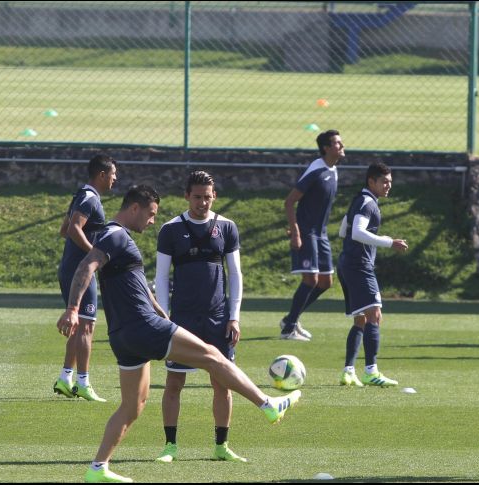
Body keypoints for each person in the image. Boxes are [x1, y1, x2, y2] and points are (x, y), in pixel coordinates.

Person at [56, 185, 301, 484]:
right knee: (213, 356)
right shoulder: (115, 234)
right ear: (135, 208)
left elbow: (135, 283)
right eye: (150, 214)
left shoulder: (118, 239)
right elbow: (86, 266)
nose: (152, 221)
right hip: (141, 327)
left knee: (133, 405)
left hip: (123, 335)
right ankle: (268, 405)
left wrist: (160, 309)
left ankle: (98, 468)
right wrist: (72, 309)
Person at [153, 171, 247, 463]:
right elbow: (161, 277)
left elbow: (236, 275)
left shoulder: (227, 227)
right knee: (174, 384)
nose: (202, 202)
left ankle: (221, 446)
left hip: (218, 320)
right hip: (183, 321)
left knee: (222, 384)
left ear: (214, 196)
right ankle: (170, 446)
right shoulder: (170, 229)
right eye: (197, 197)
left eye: (207, 197)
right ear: (186, 196)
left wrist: (234, 316)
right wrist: (165, 318)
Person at [336, 163, 408, 387]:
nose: (388, 186)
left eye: (390, 182)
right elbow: (357, 232)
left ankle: (348, 372)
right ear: (371, 182)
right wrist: (388, 242)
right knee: (374, 315)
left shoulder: (360, 200)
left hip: (347, 264)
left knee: (361, 319)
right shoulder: (368, 203)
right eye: (384, 182)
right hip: (359, 267)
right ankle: (371, 371)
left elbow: (342, 230)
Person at [54, 154, 117, 402]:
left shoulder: (82, 195)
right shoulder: (90, 198)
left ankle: (65, 378)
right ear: (102, 175)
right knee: (88, 325)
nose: (115, 178)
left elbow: (64, 229)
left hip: (70, 267)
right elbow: (73, 229)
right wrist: (94, 253)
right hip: (80, 270)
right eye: (113, 174)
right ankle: (83, 383)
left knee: (80, 324)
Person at [278, 130, 345, 341]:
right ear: (326, 148)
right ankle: (288, 329)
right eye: (337, 143)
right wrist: (295, 231)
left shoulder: (333, 170)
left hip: (321, 235)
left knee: (326, 283)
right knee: (310, 279)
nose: (342, 146)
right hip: (307, 233)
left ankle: (291, 317)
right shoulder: (316, 170)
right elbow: (289, 202)